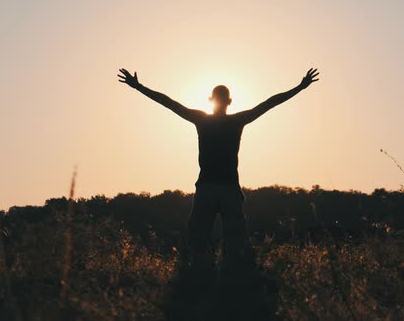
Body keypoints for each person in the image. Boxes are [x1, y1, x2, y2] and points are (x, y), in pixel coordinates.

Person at [117, 67, 319, 277]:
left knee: (202, 238)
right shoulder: (234, 121)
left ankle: (204, 278)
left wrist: (139, 87)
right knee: (231, 239)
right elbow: (269, 103)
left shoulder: (203, 119)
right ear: (229, 101)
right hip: (226, 188)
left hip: (210, 188)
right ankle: (224, 278)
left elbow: (169, 103)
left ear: (211, 99)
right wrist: (300, 87)